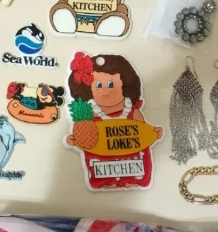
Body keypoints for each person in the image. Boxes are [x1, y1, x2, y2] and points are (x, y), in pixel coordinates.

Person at [66, 51, 163, 191]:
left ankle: (134, 179)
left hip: (135, 161)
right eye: (98, 85)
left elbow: (143, 131)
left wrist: (154, 133)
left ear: (125, 85)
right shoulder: (89, 117)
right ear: (88, 90)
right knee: (99, 165)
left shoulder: (131, 111)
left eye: (111, 84)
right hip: (102, 164)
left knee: (137, 163)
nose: (105, 91)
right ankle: (106, 180)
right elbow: (83, 137)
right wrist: (75, 139)